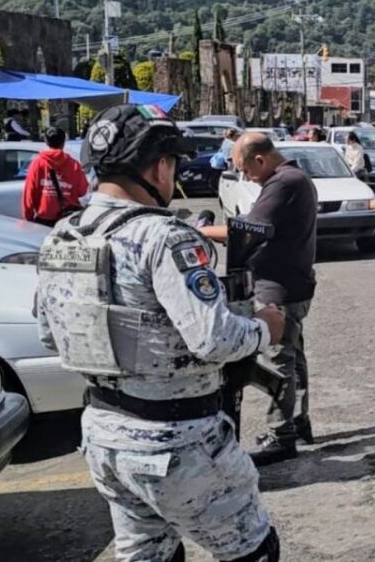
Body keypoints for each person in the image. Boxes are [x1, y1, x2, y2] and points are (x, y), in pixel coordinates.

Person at [35, 104, 286, 562]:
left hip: (105, 437)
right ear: (159, 165)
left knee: (148, 555)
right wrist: (265, 328)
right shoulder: (165, 237)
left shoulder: (63, 235)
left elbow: (50, 334)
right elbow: (215, 340)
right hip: (177, 441)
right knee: (253, 551)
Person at [200, 133, 318, 466]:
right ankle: (298, 423)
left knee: (279, 361)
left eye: (245, 170)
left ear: (261, 160)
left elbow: (247, 229)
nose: (245, 177)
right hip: (292, 282)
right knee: (294, 357)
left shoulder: (285, 183)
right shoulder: (292, 179)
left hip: (280, 288)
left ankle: (281, 436)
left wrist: (199, 231)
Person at [22, 126, 89, 226]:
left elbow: (29, 192)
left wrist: (28, 218)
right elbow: (82, 191)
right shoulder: (74, 164)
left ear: (46, 141)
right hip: (68, 219)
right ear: (63, 142)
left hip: (44, 218)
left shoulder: (37, 163)